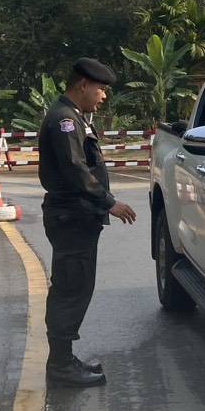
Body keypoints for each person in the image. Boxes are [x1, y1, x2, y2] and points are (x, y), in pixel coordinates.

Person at [39, 58, 137, 387]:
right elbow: (75, 170)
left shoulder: (73, 117)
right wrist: (110, 203)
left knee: (76, 287)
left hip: (77, 217)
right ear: (83, 85)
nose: (104, 96)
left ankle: (64, 359)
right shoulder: (64, 120)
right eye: (101, 89)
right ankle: (60, 366)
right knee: (70, 289)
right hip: (72, 216)